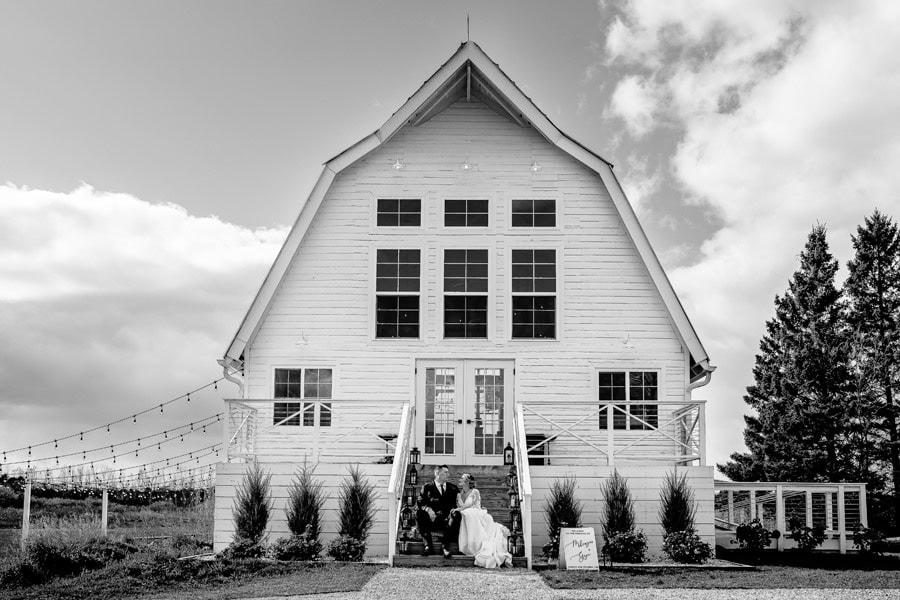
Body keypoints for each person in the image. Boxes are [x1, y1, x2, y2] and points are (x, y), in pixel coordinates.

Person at [451, 473, 513, 568]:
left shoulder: (475, 492)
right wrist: (459, 510)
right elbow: (459, 507)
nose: (459, 479)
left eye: (462, 478)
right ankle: (469, 544)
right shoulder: (458, 495)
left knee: (469, 514)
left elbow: (476, 505)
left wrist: (463, 510)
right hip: (464, 513)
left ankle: (476, 544)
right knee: (464, 515)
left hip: (476, 511)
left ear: (468, 481)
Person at [415, 464, 460, 558]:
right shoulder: (427, 487)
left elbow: (459, 504)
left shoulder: (453, 488)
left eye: (448, 472)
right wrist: (427, 509)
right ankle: (428, 546)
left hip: (447, 521)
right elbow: (419, 503)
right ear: (437, 473)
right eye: (445, 472)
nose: (448, 475)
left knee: (457, 515)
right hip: (432, 520)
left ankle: (445, 547)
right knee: (419, 513)